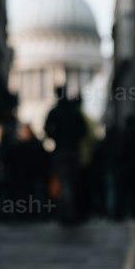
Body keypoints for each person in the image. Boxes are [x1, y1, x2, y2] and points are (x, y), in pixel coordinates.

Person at [44, 86, 85, 224]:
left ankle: (67, 213)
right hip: (72, 151)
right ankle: (70, 213)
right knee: (70, 183)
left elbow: (47, 130)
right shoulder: (73, 112)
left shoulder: (55, 112)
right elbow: (83, 131)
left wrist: (56, 136)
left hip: (61, 151)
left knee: (64, 183)